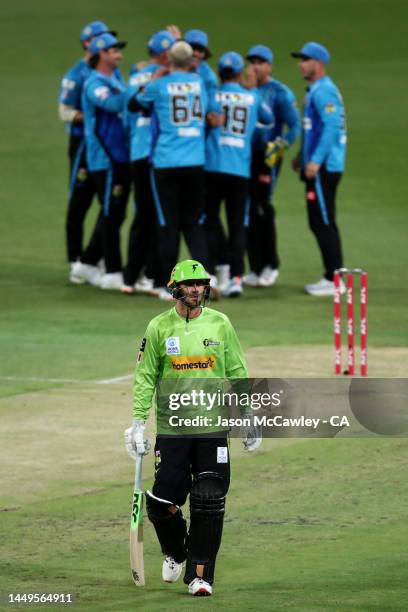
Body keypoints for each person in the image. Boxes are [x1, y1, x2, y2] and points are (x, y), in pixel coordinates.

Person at [124, 259, 261, 597]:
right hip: (173, 429)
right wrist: (138, 423)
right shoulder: (158, 327)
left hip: (211, 426)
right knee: (161, 502)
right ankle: (176, 551)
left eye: (201, 284)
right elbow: (145, 377)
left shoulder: (220, 323)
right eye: (190, 284)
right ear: (175, 287)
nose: (197, 289)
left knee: (209, 498)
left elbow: (237, 369)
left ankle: (200, 577)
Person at [128, 42, 217, 300]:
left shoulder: (159, 85)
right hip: (195, 162)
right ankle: (203, 284)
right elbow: (211, 94)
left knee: (168, 223)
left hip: (166, 162)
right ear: (191, 61)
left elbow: (134, 104)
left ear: (168, 60)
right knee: (193, 224)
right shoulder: (200, 82)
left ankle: (168, 286)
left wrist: (153, 78)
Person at [205, 52, 273, 298]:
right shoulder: (252, 97)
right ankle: (236, 279)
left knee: (209, 219)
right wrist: (252, 91)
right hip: (239, 170)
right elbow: (268, 118)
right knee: (237, 225)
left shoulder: (211, 95)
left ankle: (215, 270)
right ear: (239, 72)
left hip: (212, 167)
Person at [72, 33, 131, 290]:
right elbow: (115, 103)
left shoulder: (113, 78)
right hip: (105, 157)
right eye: (113, 49)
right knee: (111, 212)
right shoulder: (94, 83)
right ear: (101, 54)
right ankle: (114, 271)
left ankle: (87, 262)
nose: (119, 52)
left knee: (113, 213)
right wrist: (140, 85)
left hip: (118, 155)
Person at [122, 30, 176, 295]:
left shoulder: (135, 75)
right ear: (166, 54)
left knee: (141, 214)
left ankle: (130, 277)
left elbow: (127, 111)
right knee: (159, 216)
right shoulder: (165, 79)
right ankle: (155, 277)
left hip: (136, 152)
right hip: (156, 154)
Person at [291, 42, 346, 296]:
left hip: (324, 167)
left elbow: (332, 127)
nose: (301, 64)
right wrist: (301, 156)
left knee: (323, 221)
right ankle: (331, 276)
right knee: (320, 221)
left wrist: (315, 161)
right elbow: (314, 128)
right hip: (319, 164)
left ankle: (335, 279)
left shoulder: (324, 91)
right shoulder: (317, 90)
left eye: (305, 59)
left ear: (319, 63)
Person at [59, 21, 112, 284]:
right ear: (87, 44)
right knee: (79, 204)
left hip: (105, 147)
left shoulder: (111, 73)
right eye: (100, 39)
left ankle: (95, 256)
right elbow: (64, 111)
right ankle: (75, 260)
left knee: (110, 203)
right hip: (82, 145)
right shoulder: (76, 74)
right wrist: (91, 116)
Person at [243, 44, 300, 288]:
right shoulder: (243, 90)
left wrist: (282, 145)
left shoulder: (279, 92)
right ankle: (255, 267)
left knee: (262, 207)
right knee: (246, 209)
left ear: (269, 65)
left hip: (268, 157)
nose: (255, 66)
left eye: (260, 61)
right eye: (252, 61)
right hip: (243, 157)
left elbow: (294, 125)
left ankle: (271, 264)